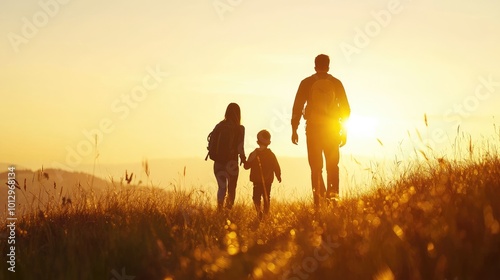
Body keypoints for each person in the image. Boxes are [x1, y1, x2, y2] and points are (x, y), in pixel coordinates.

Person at [291, 54, 350, 206]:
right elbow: (346, 109)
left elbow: (297, 107)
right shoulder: (336, 83)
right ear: (328, 66)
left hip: (313, 130)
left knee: (316, 168)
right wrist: (344, 130)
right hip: (332, 130)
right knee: (332, 166)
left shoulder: (307, 83)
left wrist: (294, 128)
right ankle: (334, 201)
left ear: (315, 66)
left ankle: (318, 203)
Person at [209, 103, 246, 211]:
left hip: (218, 162)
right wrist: (243, 159)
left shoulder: (219, 126)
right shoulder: (240, 128)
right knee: (231, 188)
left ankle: (219, 210)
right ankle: (228, 211)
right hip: (232, 163)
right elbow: (240, 147)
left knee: (222, 188)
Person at [244, 130, 281, 220]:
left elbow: (246, 166)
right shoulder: (271, 155)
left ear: (257, 142)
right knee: (266, 197)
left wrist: (244, 160)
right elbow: (276, 166)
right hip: (268, 180)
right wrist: (278, 175)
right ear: (269, 142)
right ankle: (265, 214)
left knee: (256, 198)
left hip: (256, 180)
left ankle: (259, 212)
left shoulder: (254, 153)